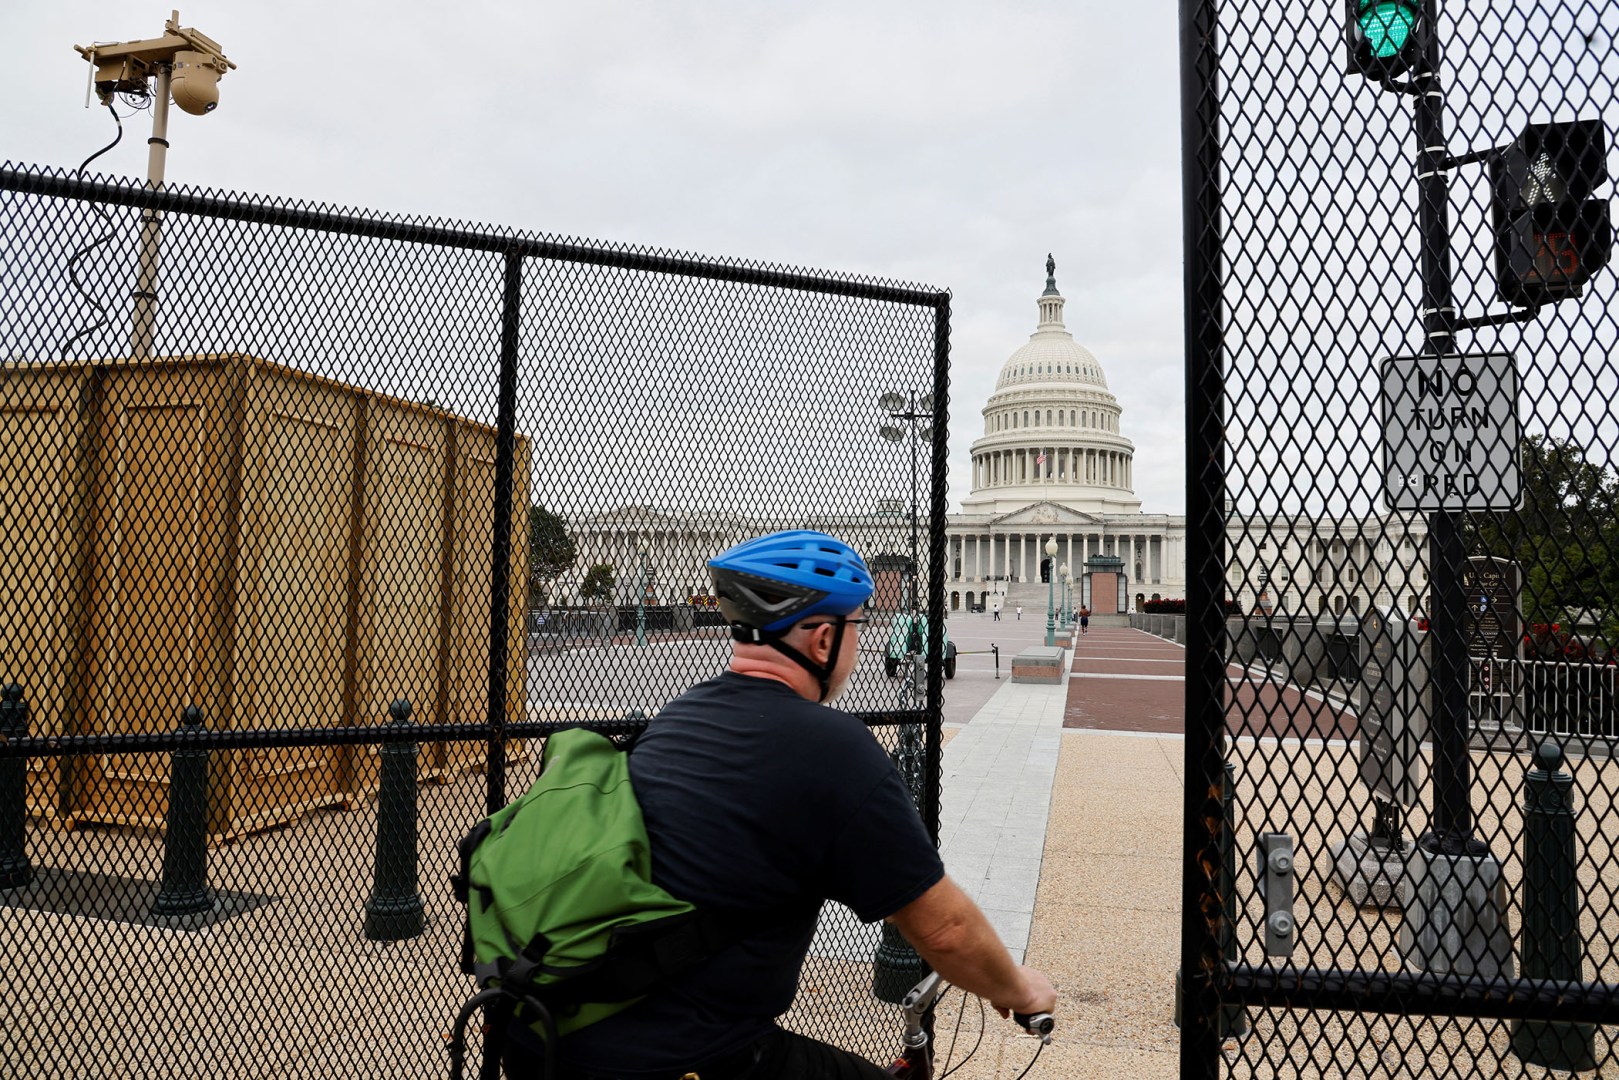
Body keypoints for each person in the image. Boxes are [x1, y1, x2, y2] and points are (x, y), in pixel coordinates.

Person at [506, 530, 1056, 1079]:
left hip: (548, 1033)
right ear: (822, 641)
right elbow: (944, 932)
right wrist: (1016, 985)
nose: (860, 645)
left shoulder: (678, 716)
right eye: (856, 627)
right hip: (681, 1057)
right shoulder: (832, 748)